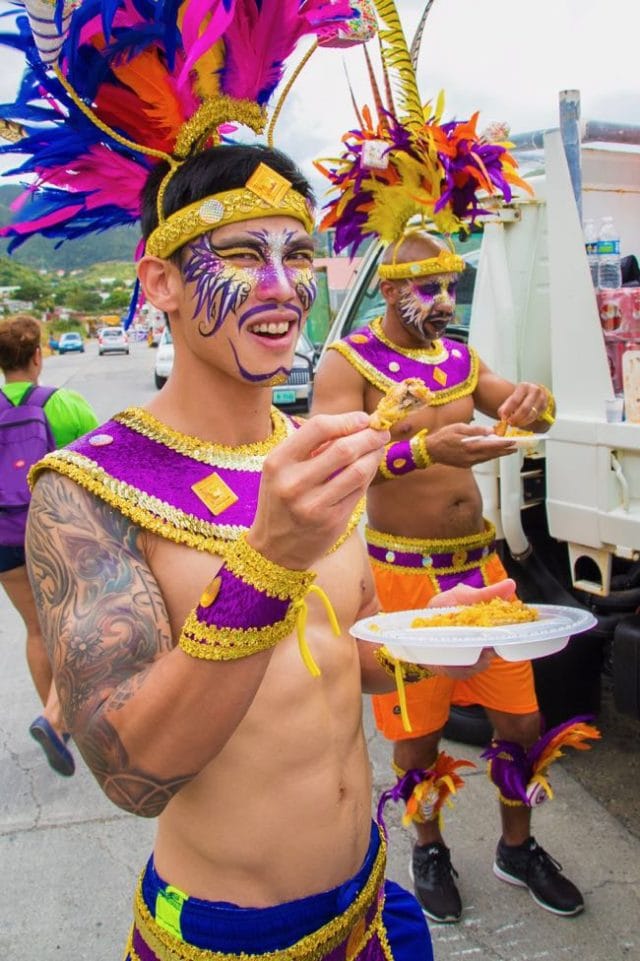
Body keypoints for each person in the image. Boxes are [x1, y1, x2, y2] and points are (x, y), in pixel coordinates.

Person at [25, 140, 523, 959]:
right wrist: (269, 562)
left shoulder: (317, 448)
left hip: (367, 898)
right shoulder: (87, 487)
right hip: (229, 937)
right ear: (162, 283)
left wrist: (433, 637)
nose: (283, 287)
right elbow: (131, 772)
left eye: (298, 254)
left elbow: (349, 656)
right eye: (241, 255)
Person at [311, 229, 592, 923]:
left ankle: (517, 847)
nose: (442, 301)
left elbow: (528, 410)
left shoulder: (460, 357)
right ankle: (428, 845)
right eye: (426, 288)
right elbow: (330, 467)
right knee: (419, 734)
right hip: (404, 582)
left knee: (523, 721)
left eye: (448, 287)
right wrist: (420, 449)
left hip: (484, 571)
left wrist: (536, 403)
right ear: (389, 289)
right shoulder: (349, 363)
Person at [0, 313, 98, 776]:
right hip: (55, 534)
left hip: (4, 539)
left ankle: (58, 726)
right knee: (75, 625)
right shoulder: (66, 404)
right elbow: (104, 467)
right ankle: (62, 716)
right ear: (38, 356)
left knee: (38, 630)